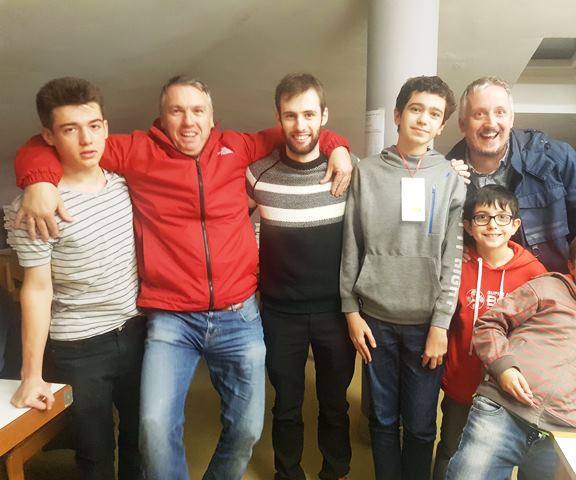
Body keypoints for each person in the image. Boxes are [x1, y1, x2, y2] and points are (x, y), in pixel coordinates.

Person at [12, 75, 353, 480]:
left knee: (247, 429)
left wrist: (339, 146)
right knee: (155, 427)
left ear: (212, 116)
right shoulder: (136, 150)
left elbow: (299, 130)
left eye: (197, 111)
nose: (189, 121)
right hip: (171, 319)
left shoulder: (238, 147)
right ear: (162, 117)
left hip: (238, 315)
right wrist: (37, 179)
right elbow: (54, 142)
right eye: (177, 111)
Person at [4, 77, 145, 479]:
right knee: (94, 453)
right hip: (79, 346)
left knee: (140, 440)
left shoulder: (126, 186)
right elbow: (36, 290)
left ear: (105, 126)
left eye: (94, 126)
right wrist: (32, 375)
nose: (87, 139)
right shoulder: (33, 209)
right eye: (70, 129)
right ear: (48, 136)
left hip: (137, 331)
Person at [341, 75, 466, 479]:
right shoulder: (366, 172)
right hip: (374, 319)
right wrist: (350, 309)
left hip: (425, 324)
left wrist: (441, 324)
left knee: (421, 424)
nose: (423, 119)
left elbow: (453, 257)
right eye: (415, 109)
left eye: (434, 114)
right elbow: (351, 242)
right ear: (397, 114)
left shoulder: (449, 178)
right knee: (381, 419)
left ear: (441, 125)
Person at [446, 228, 576, 480]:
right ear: (571, 266)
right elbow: (489, 324)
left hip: (558, 435)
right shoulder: (546, 288)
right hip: (501, 413)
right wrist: (503, 368)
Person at [246, 73, 355, 480]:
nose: (300, 125)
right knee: (286, 405)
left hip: (336, 311)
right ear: (278, 118)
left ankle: (335, 471)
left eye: (309, 114)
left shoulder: (347, 172)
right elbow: (228, 222)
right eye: (291, 115)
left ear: (324, 116)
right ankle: (287, 473)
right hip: (280, 313)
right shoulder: (257, 174)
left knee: (335, 403)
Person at [446, 76, 576, 322]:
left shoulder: (555, 159)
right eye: (479, 114)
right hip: (482, 308)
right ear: (462, 123)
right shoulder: (445, 175)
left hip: (556, 303)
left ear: (511, 118)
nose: (491, 123)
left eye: (500, 112)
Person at [432, 185, 546, 480]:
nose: (492, 224)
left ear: (515, 225)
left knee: (491, 459)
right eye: (482, 217)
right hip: (461, 380)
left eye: (501, 217)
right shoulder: (456, 266)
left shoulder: (534, 273)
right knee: (450, 448)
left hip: (503, 389)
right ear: (468, 226)